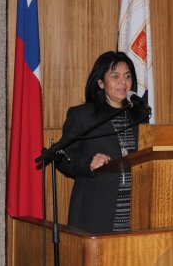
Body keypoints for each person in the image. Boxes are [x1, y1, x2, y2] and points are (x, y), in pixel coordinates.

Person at [56, 51, 148, 234]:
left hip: (135, 212)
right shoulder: (82, 115)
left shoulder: (140, 116)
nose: (123, 82)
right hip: (96, 212)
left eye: (127, 76)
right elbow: (61, 156)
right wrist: (87, 163)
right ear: (100, 83)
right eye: (115, 76)